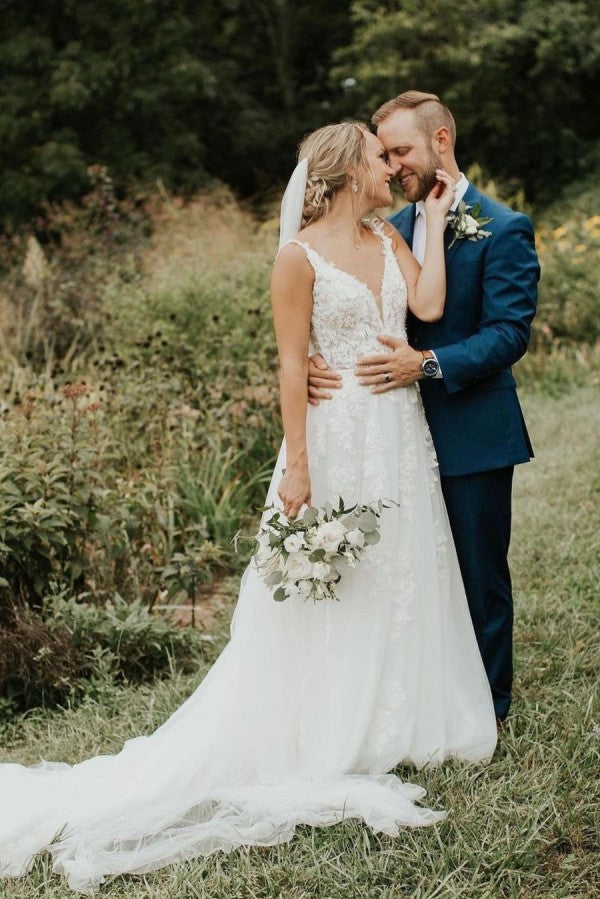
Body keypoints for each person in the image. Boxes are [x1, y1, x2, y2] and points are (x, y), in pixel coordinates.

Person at [0, 122, 496, 895]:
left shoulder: (388, 234)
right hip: (334, 436)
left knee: (401, 569)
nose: (389, 168)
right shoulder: (297, 258)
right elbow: (292, 364)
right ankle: (328, 719)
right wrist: (298, 463)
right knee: (339, 580)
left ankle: (400, 717)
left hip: (400, 431)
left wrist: (431, 220)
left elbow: (427, 302)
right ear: (345, 170)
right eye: (378, 157)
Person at [309, 93, 540, 724]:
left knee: (477, 573)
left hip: (471, 428)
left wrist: (428, 364)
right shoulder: (383, 227)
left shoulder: (504, 227)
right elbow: (338, 297)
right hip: (390, 433)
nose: (392, 165)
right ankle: (418, 701)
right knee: (407, 572)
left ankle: (488, 708)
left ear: (441, 141)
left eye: (402, 150)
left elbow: (508, 333)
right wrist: (312, 356)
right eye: (383, 154)